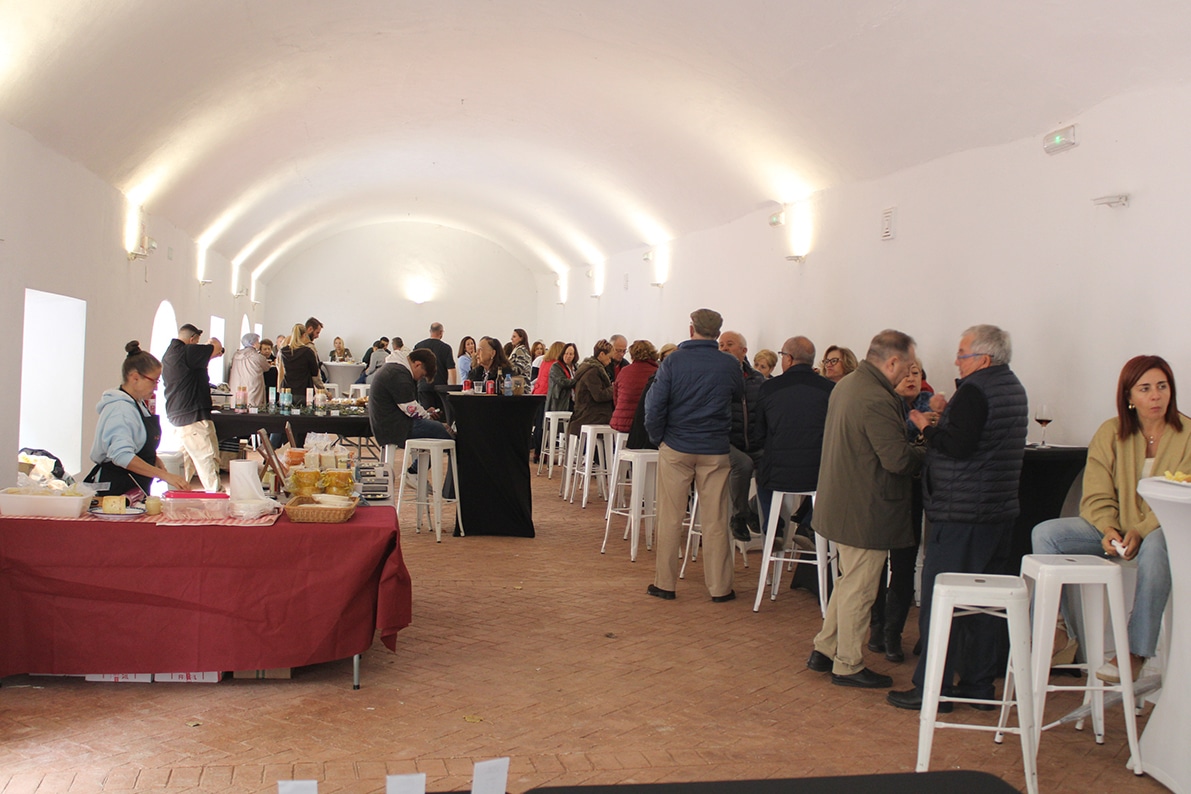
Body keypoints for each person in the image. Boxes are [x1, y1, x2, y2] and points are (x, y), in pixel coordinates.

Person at [887, 325, 1029, 711]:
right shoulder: (1011, 386)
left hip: (963, 513)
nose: (956, 360)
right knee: (983, 606)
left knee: (942, 600)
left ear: (983, 359)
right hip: (997, 512)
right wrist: (948, 415)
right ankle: (979, 686)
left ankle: (933, 688)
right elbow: (982, 437)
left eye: (962, 353)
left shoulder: (976, 390)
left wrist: (926, 425)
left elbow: (958, 447)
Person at [1031, 355, 1189, 686]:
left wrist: (1140, 530)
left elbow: (1179, 499)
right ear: (1129, 397)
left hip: (1167, 531)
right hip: (1116, 531)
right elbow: (1096, 493)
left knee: (1158, 543)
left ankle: (1135, 652)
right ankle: (1064, 631)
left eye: (1162, 387)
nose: (1156, 396)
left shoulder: (1188, 434)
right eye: (1145, 389)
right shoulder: (1110, 432)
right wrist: (1108, 530)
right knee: (1046, 534)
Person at [807, 329, 922, 689]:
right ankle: (848, 664)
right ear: (892, 361)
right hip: (866, 506)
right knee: (860, 588)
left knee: (848, 581)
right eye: (907, 366)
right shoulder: (876, 396)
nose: (908, 373)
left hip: (843, 500)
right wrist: (927, 443)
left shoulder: (848, 384)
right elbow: (897, 460)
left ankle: (824, 649)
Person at [645, 308, 744, 602]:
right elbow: (738, 396)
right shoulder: (729, 364)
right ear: (718, 333)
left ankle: (665, 584)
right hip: (715, 448)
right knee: (715, 519)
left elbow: (655, 406)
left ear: (691, 330)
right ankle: (720, 588)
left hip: (677, 445)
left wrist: (659, 438)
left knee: (671, 516)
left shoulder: (673, 361)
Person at [869, 361, 934, 663]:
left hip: (915, 494)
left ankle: (893, 633)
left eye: (917, 374)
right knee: (877, 564)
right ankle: (876, 628)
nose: (911, 379)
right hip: (883, 493)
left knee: (904, 564)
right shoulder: (885, 407)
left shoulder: (932, 410)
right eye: (906, 374)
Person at [85, 341, 190, 496]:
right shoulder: (120, 409)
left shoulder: (137, 404)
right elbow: (122, 456)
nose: (156, 387)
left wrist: (154, 459)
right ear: (135, 378)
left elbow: (138, 442)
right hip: (115, 491)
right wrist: (165, 476)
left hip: (133, 488)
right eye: (154, 380)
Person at [753, 336, 833, 531]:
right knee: (832, 482)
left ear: (788, 358)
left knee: (760, 476)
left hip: (778, 474)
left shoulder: (769, 388)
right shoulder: (829, 389)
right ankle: (808, 527)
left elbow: (759, 435)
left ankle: (776, 527)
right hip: (817, 474)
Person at [162, 323, 224, 492]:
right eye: (197, 341)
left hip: (178, 415)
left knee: (184, 463)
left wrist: (210, 355)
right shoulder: (188, 351)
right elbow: (216, 346)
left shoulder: (169, 354)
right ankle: (217, 497)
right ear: (192, 339)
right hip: (193, 416)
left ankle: (176, 497)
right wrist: (212, 343)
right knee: (207, 459)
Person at [718, 330, 766, 542]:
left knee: (776, 464)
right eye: (720, 345)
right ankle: (739, 516)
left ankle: (753, 508)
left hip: (754, 442)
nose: (724, 348)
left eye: (729, 344)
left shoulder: (757, 379)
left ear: (744, 350)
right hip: (725, 443)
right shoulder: (716, 377)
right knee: (743, 464)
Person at [566, 340, 615, 438]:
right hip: (591, 414)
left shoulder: (587, 367)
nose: (610, 361)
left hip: (583, 412)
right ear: (601, 354)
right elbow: (599, 396)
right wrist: (614, 388)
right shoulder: (593, 371)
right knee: (617, 425)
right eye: (609, 358)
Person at [610, 340, 658, 434]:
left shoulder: (624, 371)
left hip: (621, 422)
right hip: (643, 424)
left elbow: (616, 397)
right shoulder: (657, 372)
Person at [414, 322, 457, 408]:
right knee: (441, 416)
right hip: (440, 388)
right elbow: (451, 369)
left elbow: (413, 366)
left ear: (430, 331)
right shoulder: (446, 348)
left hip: (423, 386)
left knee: (427, 415)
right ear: (441, 332)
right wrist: (453, 389)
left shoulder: (419, 346)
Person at [280, 323, 320, 404]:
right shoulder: (307, 351)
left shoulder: (284, 351)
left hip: (287, 390)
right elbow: (315, 372)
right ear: (304, 335)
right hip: (303, 390)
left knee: (287, 415)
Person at [228, 332, 270, 407]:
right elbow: (267, 368)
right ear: (253, 343)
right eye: (258, 342)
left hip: (238, 385)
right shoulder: (257, 357)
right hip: (253, 385)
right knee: (253, 407)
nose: (259, 344)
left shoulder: (236, 355)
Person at [547, 342, 579, 412]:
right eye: (566, 353)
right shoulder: (556, 366)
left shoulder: (577, 367)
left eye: (571, 354)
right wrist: (578, 381)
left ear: (574, 356)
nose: (568, 356)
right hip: (559, 402)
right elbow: (563, 382)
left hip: (573, 401)